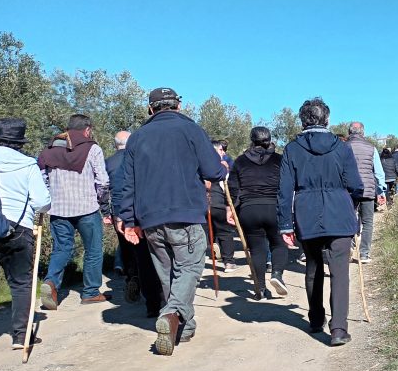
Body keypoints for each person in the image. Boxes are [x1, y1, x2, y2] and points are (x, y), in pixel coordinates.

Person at [119, 87, 225, 356]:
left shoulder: (137, 137)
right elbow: (213, 170)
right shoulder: (191, 130)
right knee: (189, 268)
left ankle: (182, 327)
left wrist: (128, 219)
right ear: (178, 105)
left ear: (150, 109)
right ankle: (172, 313)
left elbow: (127, 182)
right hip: (185, 212)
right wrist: (221, 167)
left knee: (167, 274)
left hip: (150, 218)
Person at [278, 98, 362, 346]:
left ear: (303, 121)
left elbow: (284, 190)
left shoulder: (292, 149)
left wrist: (285, 224)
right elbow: (356, 184)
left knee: (313, 266)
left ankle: (316, 319)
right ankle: (339, 329)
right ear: (327, 119)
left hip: (307, 212)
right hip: (339, 212)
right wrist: (353, 205)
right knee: (340, 271)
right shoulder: (342, 148)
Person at [0, 118, 51, 348]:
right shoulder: (27, 165)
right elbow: (42, 202)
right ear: (19, 142)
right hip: (17, 229)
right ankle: (21, 336)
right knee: (21, 283)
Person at [38, 114, 110, 305]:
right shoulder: (92, 149)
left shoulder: (48, 150)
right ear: (87, 130)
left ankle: (51, 283)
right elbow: (103, 181)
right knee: (93, 250)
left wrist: (49, 199)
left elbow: (43, 180)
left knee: (61, 249)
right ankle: (90, 292)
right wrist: (104, 205)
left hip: (58, 210)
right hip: (87, 208)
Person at [106, 130, 164, 316]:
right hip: (151, 213)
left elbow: (112, 189)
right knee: (158, 256)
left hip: (129, 215)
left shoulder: (114, 162)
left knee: (138, 256)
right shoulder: (148, 159)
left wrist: (116, 215)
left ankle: (145, 295)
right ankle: (164, 298)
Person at [229, 126, 288, 298]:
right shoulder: (279, 160)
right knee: (278, 243)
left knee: (257, 249)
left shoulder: (240, 161)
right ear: (270, 140)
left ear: (252, 140)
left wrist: (231, 209)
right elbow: (287, 184)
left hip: (249, 209)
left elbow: (233, 188)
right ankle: (277, 274)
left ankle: (260, 288)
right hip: (273, 207)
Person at [345, 122, 386, 263]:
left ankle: (348, 248)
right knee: (368, 222)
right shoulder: (371, 148)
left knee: (348, 219)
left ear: (349, 132)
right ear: (363, 133)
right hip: (367, 189)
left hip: (348, 190)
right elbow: (379, 173)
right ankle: (364, 254)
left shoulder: (343, 147)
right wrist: (381, 190)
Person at [207, 140, 237, 273]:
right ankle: (228, 262)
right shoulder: (221, 166)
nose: (223, 152)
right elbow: (227, 186)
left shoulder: (200, 164)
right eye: (220, 150)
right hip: (217, 201)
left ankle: (213, 246)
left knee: (207, 230)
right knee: (224, 231)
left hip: (204, 204)